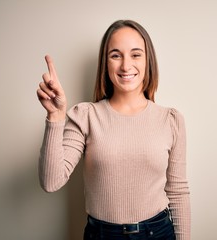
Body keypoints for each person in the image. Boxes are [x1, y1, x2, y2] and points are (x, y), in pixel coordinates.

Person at [36, 19, 190, 240]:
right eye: (116, 55)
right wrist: (55, 116)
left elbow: (178, 192)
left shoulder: (171, 120)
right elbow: (51, 182)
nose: (126, 66)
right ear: (105, 63)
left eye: (136, 55)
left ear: (148, 61)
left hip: (158, 233)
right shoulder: (85, 116)